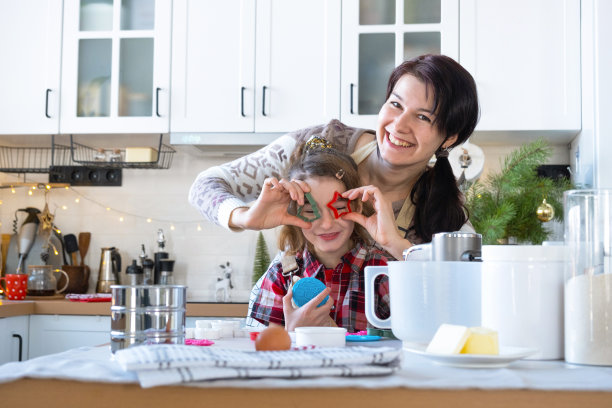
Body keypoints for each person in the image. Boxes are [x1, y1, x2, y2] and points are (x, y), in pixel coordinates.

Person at [189, 54, 479, 259]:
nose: (399, 125)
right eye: (395, 104)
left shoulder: (445, 209)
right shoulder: (321, 143)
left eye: (423, 117)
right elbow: (205, 185)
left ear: (449, 138)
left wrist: (397, 244)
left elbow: (465, 288)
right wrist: (245, 217)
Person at [248, 139, 390, 332]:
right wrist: (293, 334)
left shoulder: (381, 271)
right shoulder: (282, 273)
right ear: (292, 212)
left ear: (356, 205)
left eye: (339, 208)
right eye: (309, 211)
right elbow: (262, 351)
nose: (326, 224)